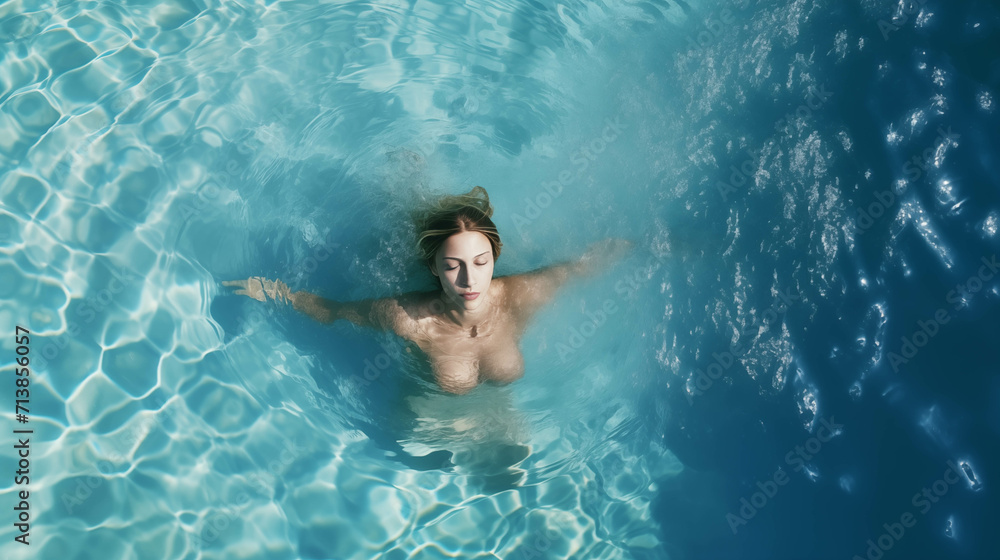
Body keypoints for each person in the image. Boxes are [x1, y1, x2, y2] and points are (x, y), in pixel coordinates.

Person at [224, 186, 633, 395]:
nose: (470, 281)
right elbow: (334, 311)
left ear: (496, 257)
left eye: (481, 263)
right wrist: (275, 291)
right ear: (434, 267)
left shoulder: (523, 293)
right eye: (453, 266)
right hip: (428, 415)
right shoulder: (407, 318)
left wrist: (654, 244)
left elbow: (581, 268)